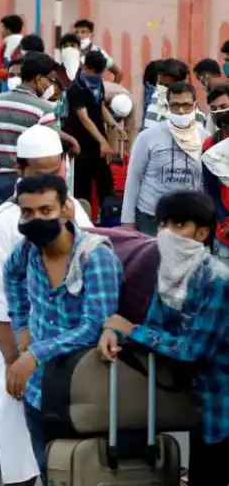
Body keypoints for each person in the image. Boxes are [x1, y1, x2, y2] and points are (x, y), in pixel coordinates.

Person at [0, 124, 92, 486]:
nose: (48, 177)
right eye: (38, 169)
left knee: (76, 459)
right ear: (21, 169)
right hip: (18, 351)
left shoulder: (74, 212)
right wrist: (16, 365)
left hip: (70, 353)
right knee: (23, 459)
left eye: (53, 168)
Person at [98, 190, 229, 486]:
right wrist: (113, 329)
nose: (168, 234)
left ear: (202, 233)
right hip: (197, 403)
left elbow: (193, 349)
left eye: (179, 225)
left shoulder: (216, 280)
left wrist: (131, 330)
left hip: (221, 404)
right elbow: (156, 326)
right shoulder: (168, 273)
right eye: (163, 225)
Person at [3, 173, 122, 481]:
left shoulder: (95, 258)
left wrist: (33, 354)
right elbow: (11, 276)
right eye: (28, 213)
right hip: (38, 392)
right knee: (48, 473)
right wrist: (21, 327)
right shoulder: (27, 250)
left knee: (82, 474)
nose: (36, 219)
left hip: (82, 392)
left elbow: (95, 326)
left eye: (46, 210)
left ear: (66, 209)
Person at [122, 81, 205, 235]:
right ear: (167, 106)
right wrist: (127, 221)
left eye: (186, 105)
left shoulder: (204, 138)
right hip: (151, 219)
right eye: (175, 105)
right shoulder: (148, 137)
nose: (181, 111)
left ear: (195, 105)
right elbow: (133, 177)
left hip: (190, 221)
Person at [0, 52, 60, 208]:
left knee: (1, 225)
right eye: (50, 80)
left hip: (0, 180)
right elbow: (50, 154)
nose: (51, 85)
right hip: (31, 182)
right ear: (38, 79)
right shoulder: (44, 109)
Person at [62, 50, 120, 206]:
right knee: (82, 188)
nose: (97, 75)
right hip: (81, 144)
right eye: (94, 72)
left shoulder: (97, 83)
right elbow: (84, 117)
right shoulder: (76, 88)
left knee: (106, 184)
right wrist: (102, 141)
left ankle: (109, 217)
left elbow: (101, 106)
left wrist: (114, 125)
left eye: (100, 73)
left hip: (98, 141)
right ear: (85, 66)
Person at [203, 85, 229, 262]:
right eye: (214, 109)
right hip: (225, 236)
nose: (220, 113)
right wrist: (224, 220)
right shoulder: (210, 145)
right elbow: (210, 190)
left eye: (224, 106)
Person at [73, 19, 123, 83]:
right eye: (76, 32)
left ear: (91, 34)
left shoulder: (98, 52)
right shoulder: (70, 51)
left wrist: (112, 89)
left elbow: (118, 73)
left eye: (83, 32)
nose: (79, 35)